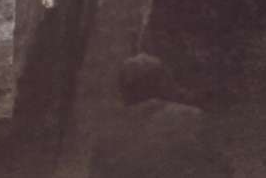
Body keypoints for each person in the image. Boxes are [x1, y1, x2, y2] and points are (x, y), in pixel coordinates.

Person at [91, 54, 226, 178]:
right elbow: (220, 169)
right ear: (163, 83)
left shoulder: (107, 132)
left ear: (124, 91)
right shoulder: (192, 118)